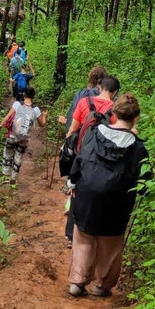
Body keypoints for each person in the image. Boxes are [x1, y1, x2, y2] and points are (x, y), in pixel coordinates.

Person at [67, 93, 149, 298]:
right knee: (111, 244)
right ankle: (102, 286)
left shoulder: (94, 134)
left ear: (113, 113)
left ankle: (78, 282)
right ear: (136, 118)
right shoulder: (138, 148)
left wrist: (73, 181)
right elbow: (144, 182)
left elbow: (81, 159)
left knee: (83, 238)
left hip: (87, 196)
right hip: (118, 203)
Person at [63, 75, 119, 246]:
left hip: (81, 156)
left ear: (100, 87)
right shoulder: (115, 109)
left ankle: (71, 235)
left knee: (76, 192)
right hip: (102, 159)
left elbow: (71, 131)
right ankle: (93, 233)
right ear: (115, 92)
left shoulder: (83, 103)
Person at [0, 86, 46, 185]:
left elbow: (8, 116)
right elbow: (42, 124)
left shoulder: (17, 104)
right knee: (18, 156)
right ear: (33, 96)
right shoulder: (36, 109)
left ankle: (5, 175)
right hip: (24, 138)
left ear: (24, 94)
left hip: (12, 135)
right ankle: (13, 179)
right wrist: (45, 116)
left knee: (8, 153)